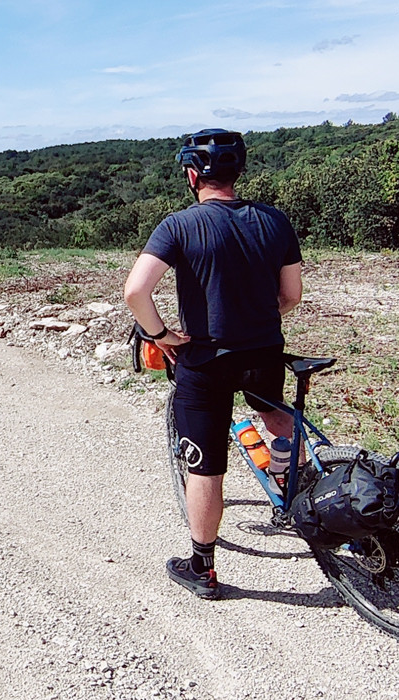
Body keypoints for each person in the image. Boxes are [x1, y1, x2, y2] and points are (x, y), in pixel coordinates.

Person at [122, 128, 303, 600]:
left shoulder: (178, 225)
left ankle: (202, 567)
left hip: (204, 361)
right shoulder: (275, 221)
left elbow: (135, 292)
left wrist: (162, 336)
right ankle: (297, 492)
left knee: (206, 467)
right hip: (263, 350)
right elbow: (291, 297)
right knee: (275, 416)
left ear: (191, 175)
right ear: (238, 172)